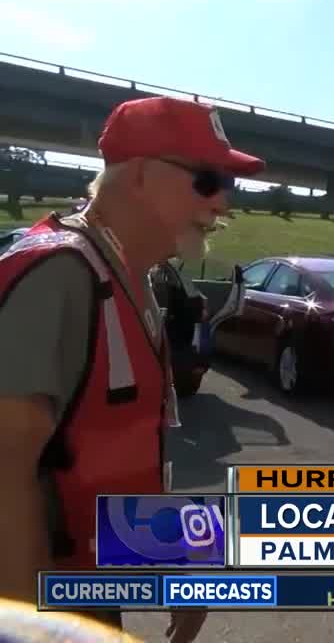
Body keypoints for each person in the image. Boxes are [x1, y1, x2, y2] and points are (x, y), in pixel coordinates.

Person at [0, 96, 264, 641]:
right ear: (142, 175)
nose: (222, 204)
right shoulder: (59, 276)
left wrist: (185, 555)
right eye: (208, 181)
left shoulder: (132, 276)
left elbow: (105, 457)